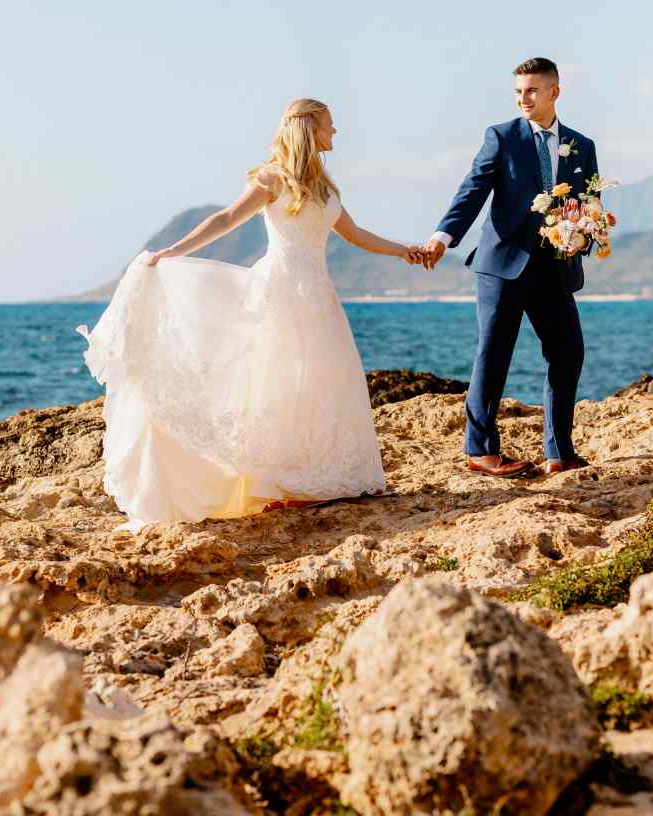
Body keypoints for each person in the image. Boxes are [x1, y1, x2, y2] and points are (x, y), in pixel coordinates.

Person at [76, 98, 425, 530]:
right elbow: (225, 220)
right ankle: (278, 482)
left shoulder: (325, 188)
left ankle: (315, 478)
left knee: (324, 380)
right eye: (330, 125)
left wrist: (406, 252)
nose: (335, 133)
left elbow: (356, 235)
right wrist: (171, 253)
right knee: (278, 383)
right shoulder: (271, 179)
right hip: (280, 292)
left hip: (320, 297)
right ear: (308, 129)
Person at [422, 57, 599, 479]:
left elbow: (590, 202)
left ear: (554, 92)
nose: (524, 98)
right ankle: (480, 450)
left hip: (555, 268)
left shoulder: (581, 145)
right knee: (494, 353)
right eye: (518, 91)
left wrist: (584, 235)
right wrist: (442, 236)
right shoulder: (500, 137)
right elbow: (473, 189)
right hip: (502, 265)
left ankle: (559, 452)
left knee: (568, 352)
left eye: (532, 90)